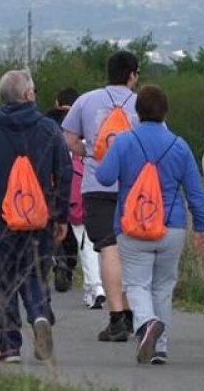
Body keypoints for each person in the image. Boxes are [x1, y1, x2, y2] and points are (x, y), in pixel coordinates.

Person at [0, 69, 72, 364]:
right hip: (40, 219)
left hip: (1, 218)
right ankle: (39, 315)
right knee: (35, 274)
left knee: (2, 281)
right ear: (28, 95)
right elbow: (64, 172)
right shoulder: (50, 129)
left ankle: (9, 345)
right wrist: (61, 216)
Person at [97, 84, 204, 365]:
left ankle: (146, 323)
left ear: (137, 111)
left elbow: (104, 177)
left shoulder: (124, 141)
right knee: (163, 286)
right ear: (165, 112)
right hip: (171, 227)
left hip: (132, 227)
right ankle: (159, 347)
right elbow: (195, 191)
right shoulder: (179, 145)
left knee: (136, 283)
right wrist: (202, 226)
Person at [63, 50, 141, 341]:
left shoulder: (86, 100)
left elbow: (69, 138)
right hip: (133, 186)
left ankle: (116, 317)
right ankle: (133, 313)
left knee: (108, 248)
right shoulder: (140, 103)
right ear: (132, 74)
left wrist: (90, 155)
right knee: (131, 250)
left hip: (97, 184)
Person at [50, 87, 105, 307]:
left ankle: (92, 285)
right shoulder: (90, 139)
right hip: (90, 193)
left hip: (65, 195)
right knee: (91, 243)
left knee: (75, 239)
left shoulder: (55, 131)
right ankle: (95, 287)